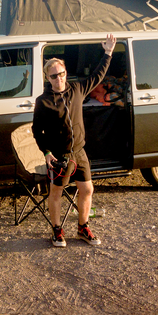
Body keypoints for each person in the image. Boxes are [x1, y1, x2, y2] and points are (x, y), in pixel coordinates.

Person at [32, 33, 116, 247]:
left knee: (87, 189)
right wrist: (47, 152)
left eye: (61, 74)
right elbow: (36, 129)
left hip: (79, 152)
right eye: (53, 76)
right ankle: (57, 231)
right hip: (59, 155)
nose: (58, 78)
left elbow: (98, 75)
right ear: (47, 78)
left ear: (66, 73)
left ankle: (83, 228)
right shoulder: (43, 101)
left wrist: (108, 52)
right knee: (56, 192)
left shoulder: (77, 89)